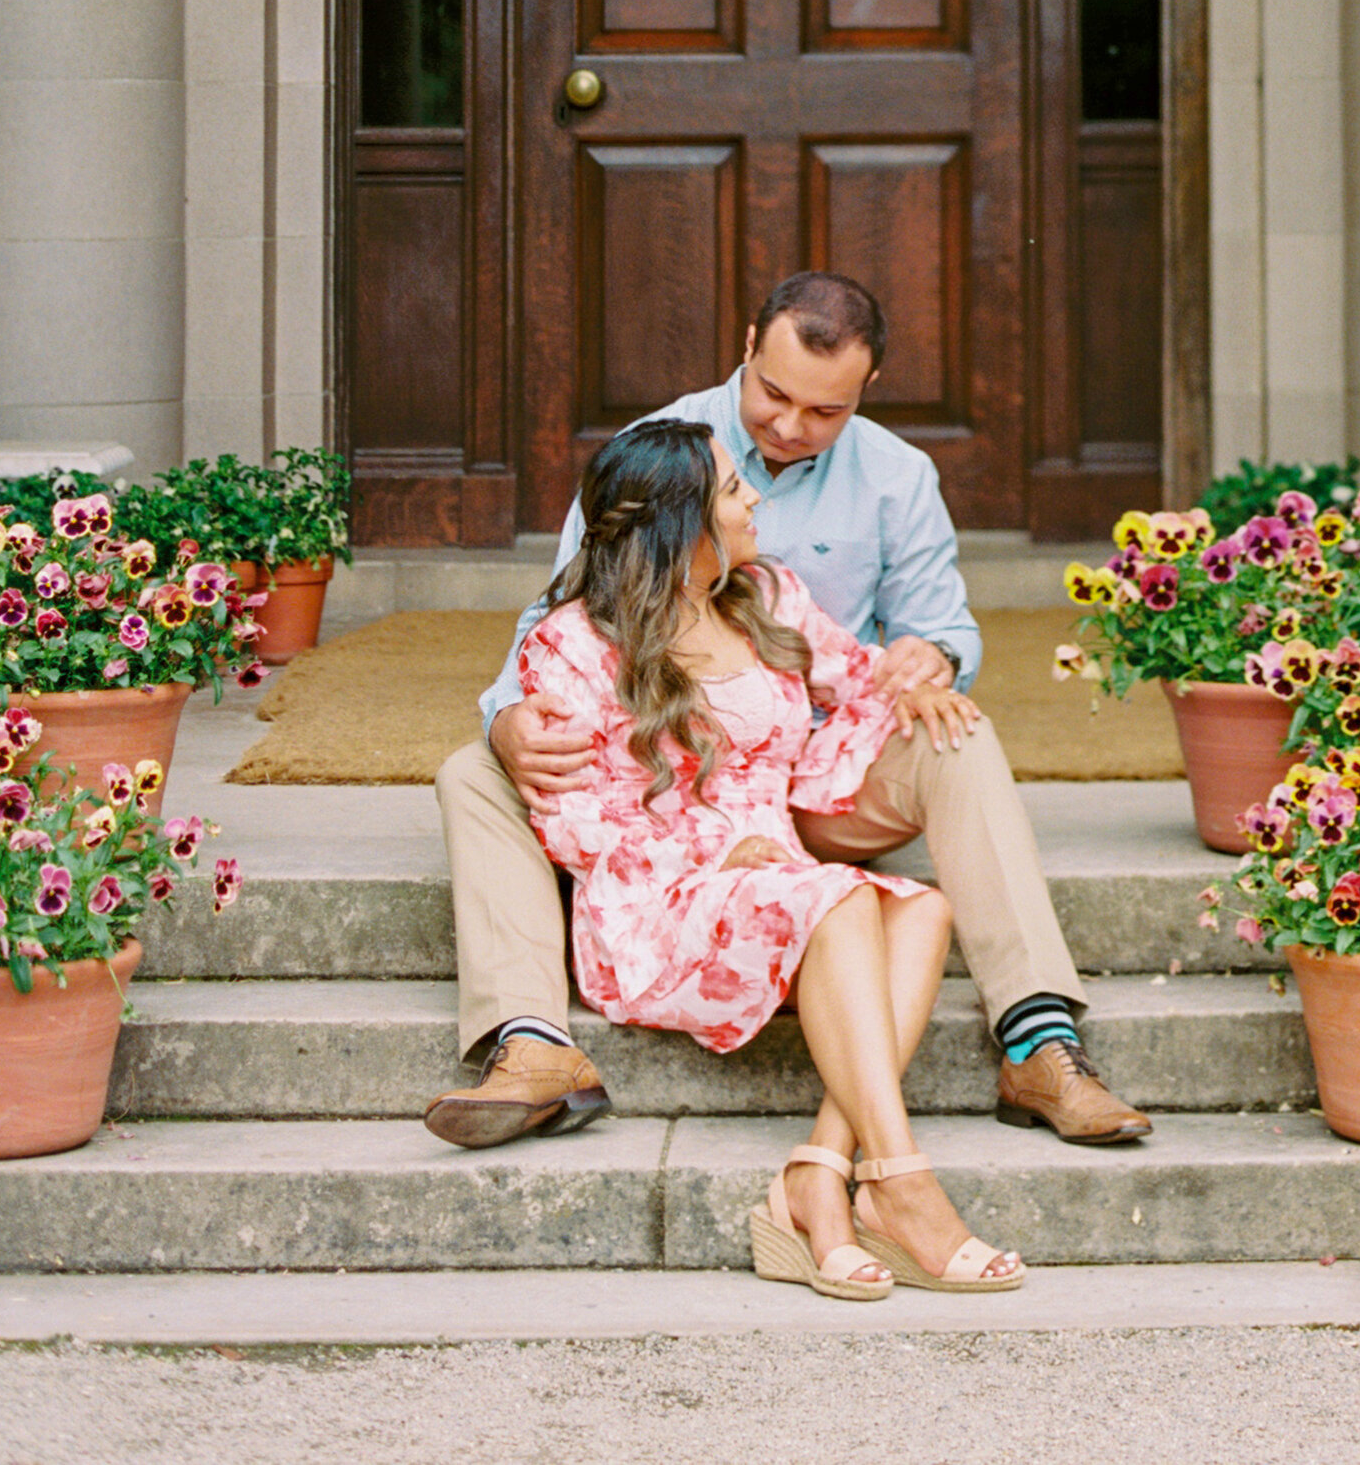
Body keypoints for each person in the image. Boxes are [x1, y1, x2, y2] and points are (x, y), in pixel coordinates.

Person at [426, 269, 1149, 1150]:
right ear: (746, 346)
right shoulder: (661, 451)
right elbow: (563, 617)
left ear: (867, 389)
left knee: (956, 732)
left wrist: (936, 658)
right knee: (472, 767)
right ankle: (531, 1043)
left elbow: (934, 632)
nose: (789, 427)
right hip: (656, 778)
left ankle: (1039, 1038)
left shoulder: (896, 477)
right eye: (774, 395)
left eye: (825, 413)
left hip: (797, 770)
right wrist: (507, 719)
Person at [515, 415, 1020, 1297]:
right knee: (841, 900)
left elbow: (862, 684)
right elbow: (576, 821)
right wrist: (718, 853)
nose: (756, 502)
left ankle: (819, 1174)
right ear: (684, 524)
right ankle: (903, 1182)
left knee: (924, 907)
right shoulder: (573, 644)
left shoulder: (767, 598)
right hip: (657, 907)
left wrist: (923, 675)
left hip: (775, 877)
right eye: (736, 492)